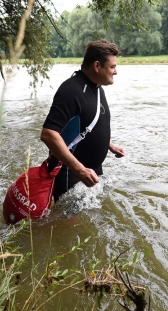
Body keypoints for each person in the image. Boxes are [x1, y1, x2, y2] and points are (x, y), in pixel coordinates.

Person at [40, 39, 125, 202]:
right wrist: (80, 170)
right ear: (97, 66)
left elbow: (86, 124)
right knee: (68, 225)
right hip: (71, 174)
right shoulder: (71, 90)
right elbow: (48, 134)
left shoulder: (98, 88)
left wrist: (109, 144)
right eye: (112, 67)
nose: (116, 72)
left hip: (92, 171)